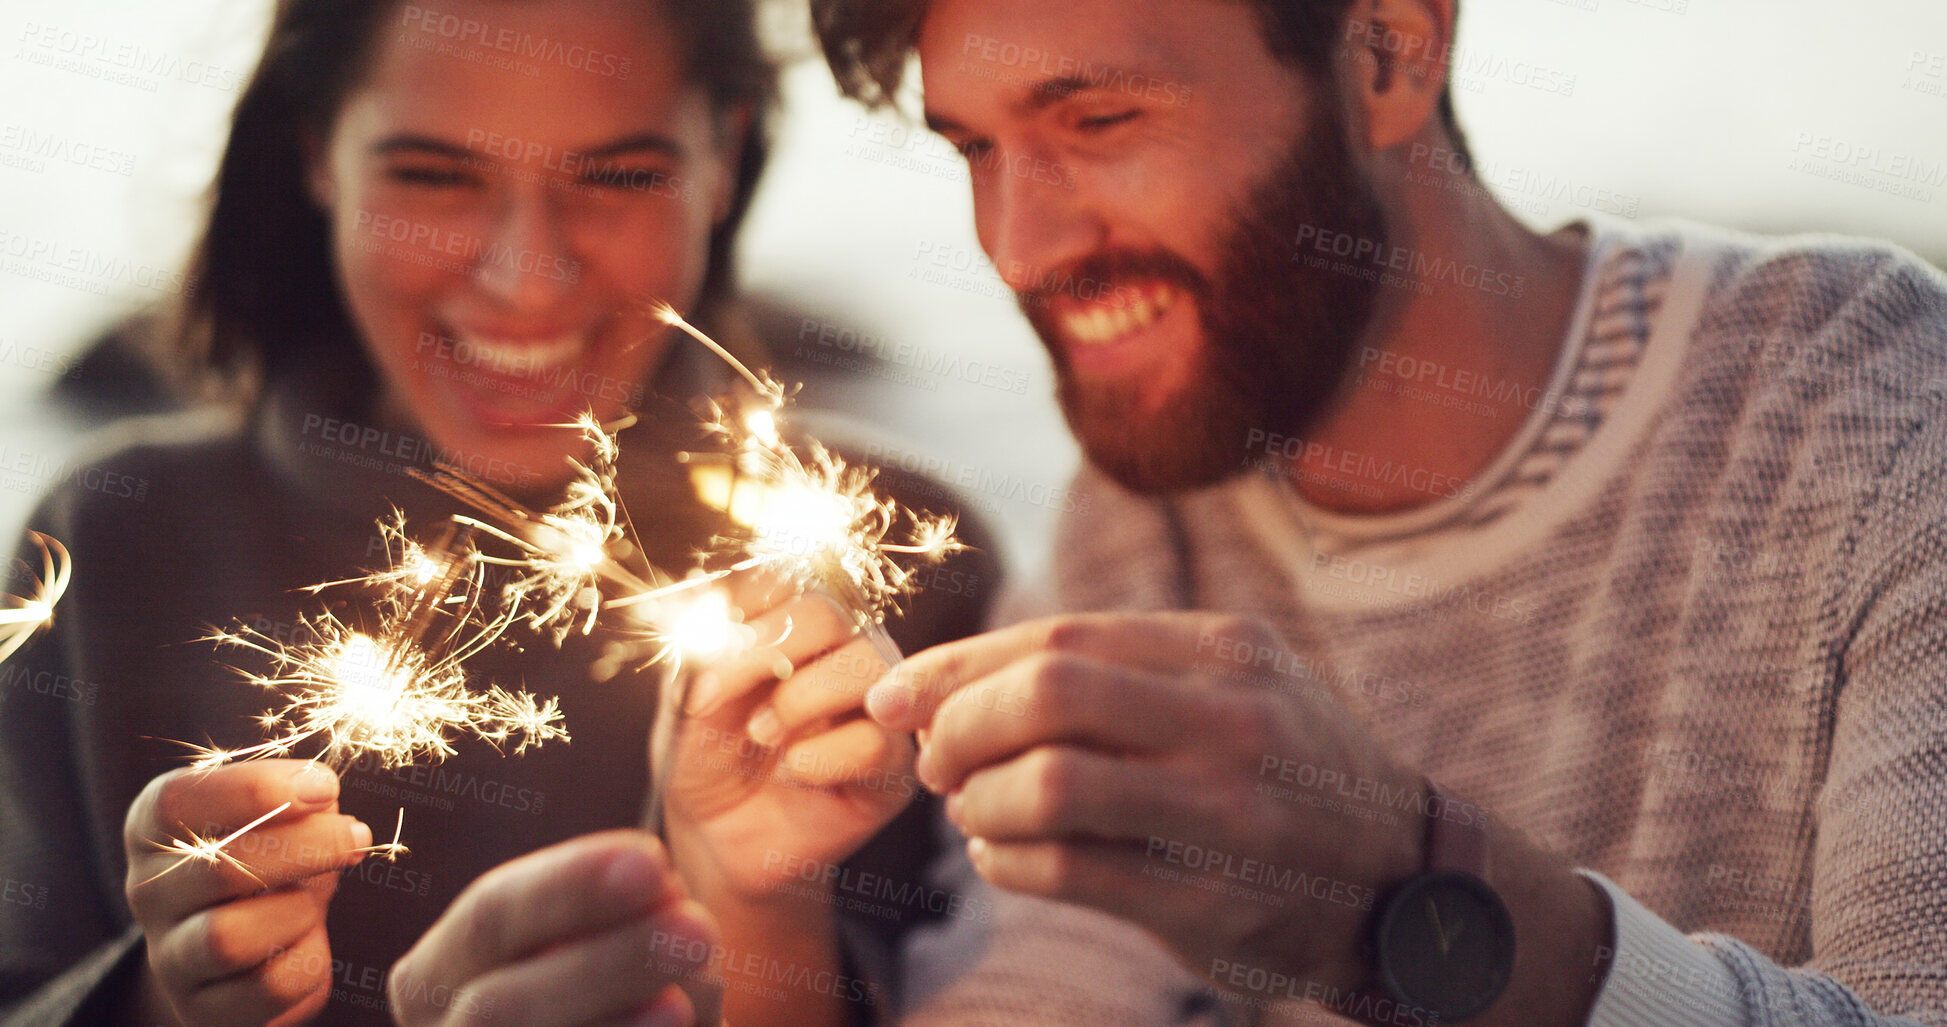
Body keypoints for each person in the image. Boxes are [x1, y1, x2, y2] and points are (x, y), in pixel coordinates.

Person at [807, 0, 1947, 1024]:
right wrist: (757, 908)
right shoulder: (1137, 523)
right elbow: (1048, 986)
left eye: (1100, 120)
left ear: (1390, 56)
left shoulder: (1864, 403)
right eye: (974, 148)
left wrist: (1412, 897)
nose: (1016, 250)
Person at [0, 1, 992, 1026]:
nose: (527, 279)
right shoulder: (113, 541)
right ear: (317, 153)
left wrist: (761, 906)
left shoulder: (887, 586)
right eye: (434, 175)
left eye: (616, 176)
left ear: (724, 155)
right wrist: (160, 999)